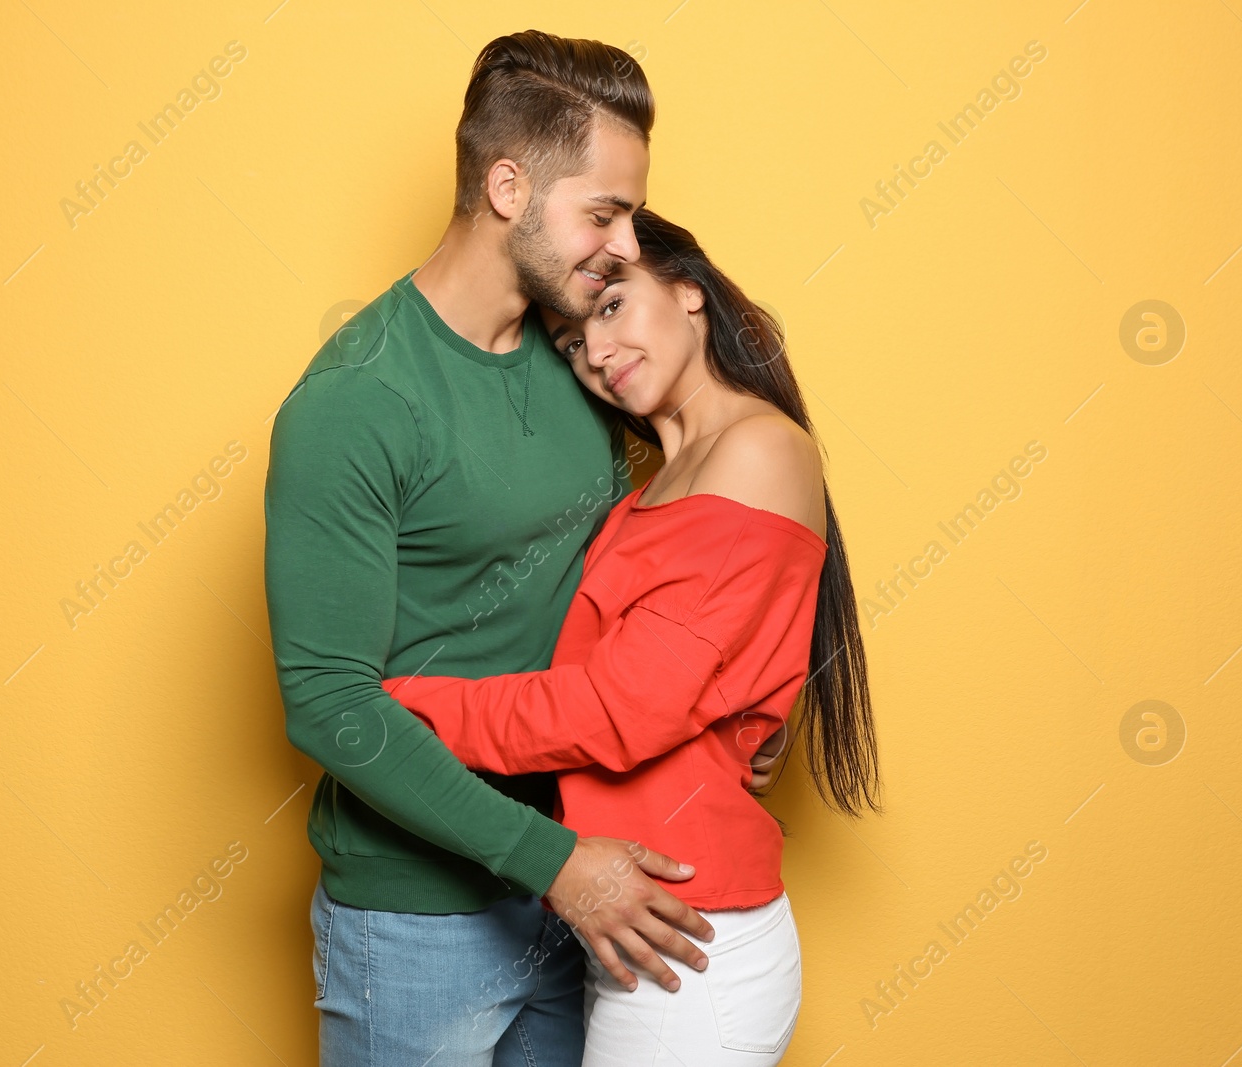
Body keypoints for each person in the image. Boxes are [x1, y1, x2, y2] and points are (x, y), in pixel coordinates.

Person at [265, 30, 725, 1066]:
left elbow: (653, 564)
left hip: (578, 894)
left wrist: (733, 707)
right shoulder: (356, 402)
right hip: (418, 925)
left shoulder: (586, 364)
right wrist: (556, 861)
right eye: (601, 212)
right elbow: (329, 705)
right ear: (508, 185)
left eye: (631, 216)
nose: (622, 244)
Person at [380, 206, 882, 1065]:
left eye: (610, 308)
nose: (597, 355)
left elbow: (624, 706)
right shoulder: (650, 487)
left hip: (693, 939)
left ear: (689, 293)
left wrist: (391, 709)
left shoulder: (758, 450)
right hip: (638, 920)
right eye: (571, 344)